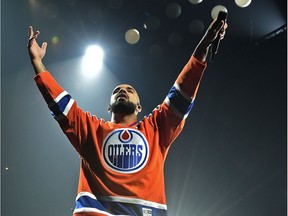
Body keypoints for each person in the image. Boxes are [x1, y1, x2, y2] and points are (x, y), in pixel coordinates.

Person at [28, 15, 227, 216]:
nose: (122, 91)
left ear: (139, 106)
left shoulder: (156, 129)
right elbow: (59, 103)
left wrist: (204, 46)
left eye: (129, 90)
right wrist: (37, 62)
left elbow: (182, 91)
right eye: (116, 91)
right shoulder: (91, 130)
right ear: (109, 107)